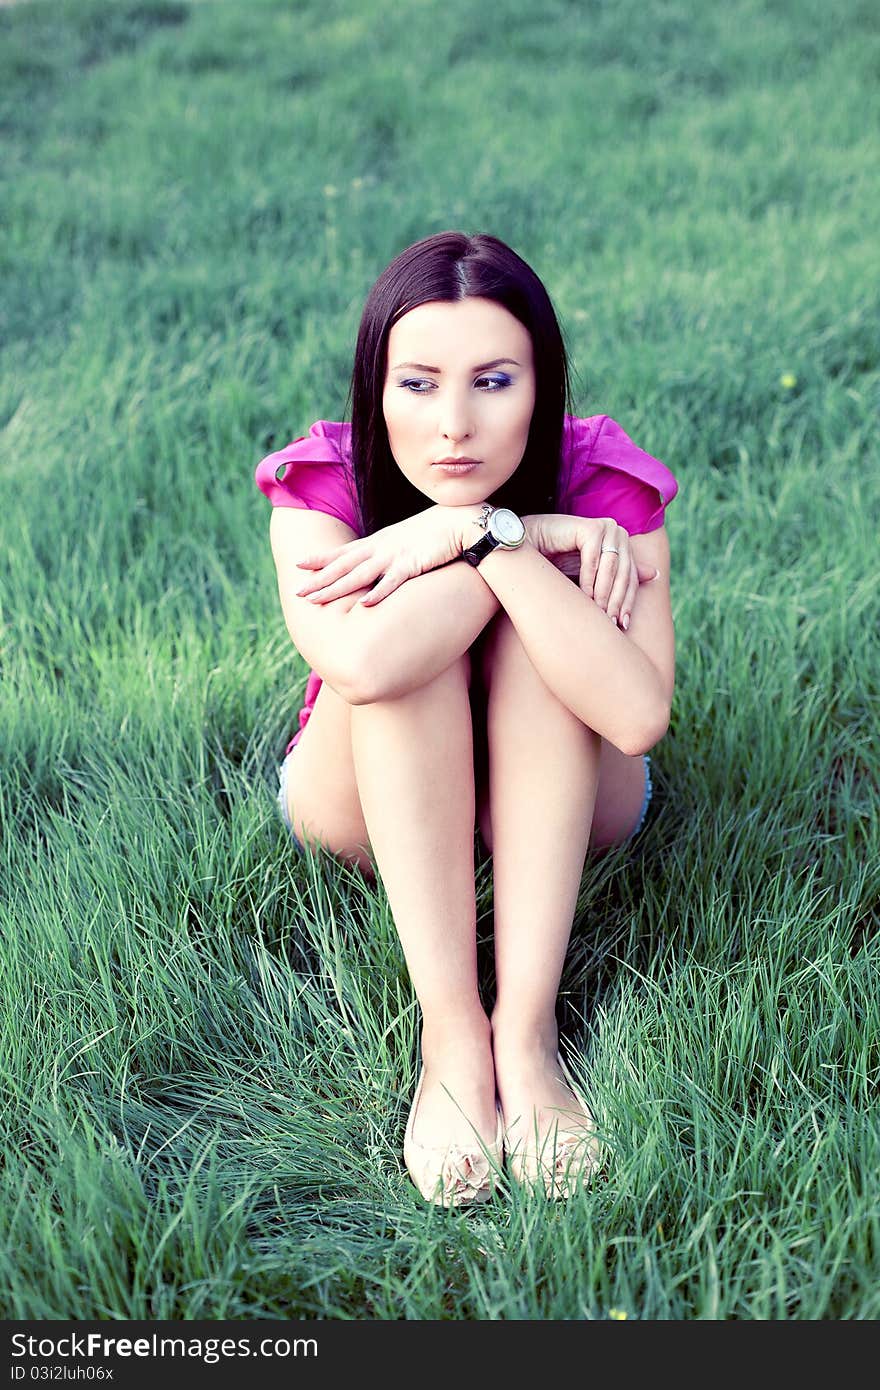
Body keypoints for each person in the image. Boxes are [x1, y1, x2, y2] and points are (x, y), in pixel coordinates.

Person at [254, 231, 677, 1206]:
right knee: (408, 658)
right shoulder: (321, 480)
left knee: (543, 637)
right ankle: (452, 1040)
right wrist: (485, 537)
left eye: (492, 381)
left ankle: (525, 1042)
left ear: (542, 383)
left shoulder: (603, 479)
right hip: (369, 794)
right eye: (417, 383)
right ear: (376, 386)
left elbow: (638, 713)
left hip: (574, 790)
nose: (453, 425)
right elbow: (363, 663)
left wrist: (492, 540)